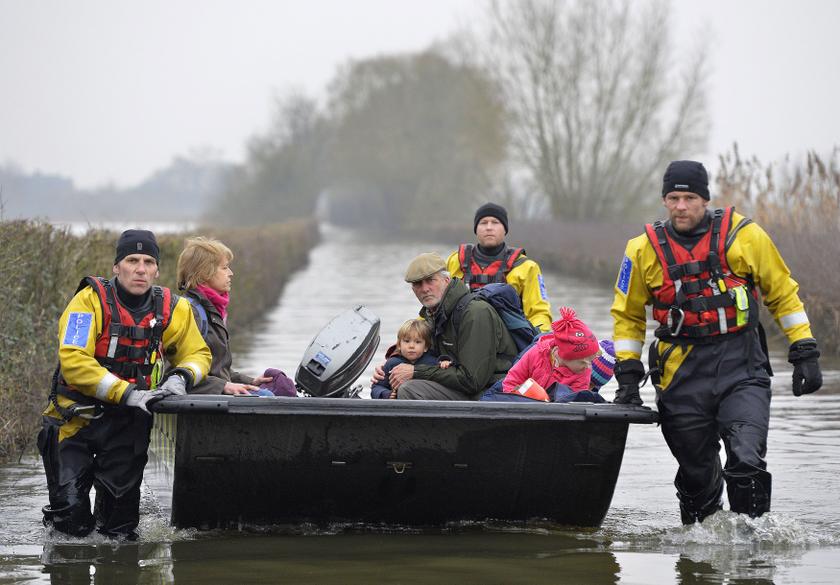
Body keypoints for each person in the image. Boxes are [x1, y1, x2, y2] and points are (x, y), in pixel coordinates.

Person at [610, 160, 823, 524]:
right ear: (664, 200)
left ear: (705, 199)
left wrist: (804, 348)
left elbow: (783, 294)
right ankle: (697, 555)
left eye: (689, 197)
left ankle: (752, 550)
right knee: (696, 475)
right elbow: (627, 315)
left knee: (746, 459)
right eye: (673, 198)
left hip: (741, 364)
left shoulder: (746, 237)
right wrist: (628, 373)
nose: (681, 206)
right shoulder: (641, 249)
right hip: (681, 372)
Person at [38, 229, 211, 540]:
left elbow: (198, 353)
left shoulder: (174, 309)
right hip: (74, 421)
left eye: (148, 261)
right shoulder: (87, 302)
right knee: (70, 520)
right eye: (132, 260)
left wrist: (180, 376)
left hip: (127, 426)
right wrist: (128, 392)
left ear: (157, 269)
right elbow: (74, 360)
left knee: (119, 528)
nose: (140, 268)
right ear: (117, 266)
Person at [388, 252, 518, 400]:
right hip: (463, 387)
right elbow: (423, 355)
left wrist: (416, 372)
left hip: (491, 392)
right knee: (393, 384)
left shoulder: (475, 313)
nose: (425, 289)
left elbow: (472, 380)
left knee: (410, 389)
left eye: (431, 280)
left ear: (447, 280)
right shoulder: (432, 315)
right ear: (413, 290)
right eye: (418, 284)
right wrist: (391, 368)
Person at [175, 236, 275, 396]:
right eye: (224, 268)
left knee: (273, 391)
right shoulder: (190, 312)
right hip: (201, 409)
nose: (231, 273)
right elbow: (175, 375)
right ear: (204, 273)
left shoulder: (213, 310)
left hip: (215, 400)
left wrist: (250, 382)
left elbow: (217, 370)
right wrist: (222, 387)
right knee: (269, 398)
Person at [446, 202, 553, 332]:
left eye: (495, 222)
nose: (489, 227)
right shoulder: (456, 261)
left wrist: (540, 341)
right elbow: (437, 302)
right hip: (461, 333)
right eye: (483, 223)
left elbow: (539, 313)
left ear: (505, 229)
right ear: (476, 229)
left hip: (506, 339)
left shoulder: (526, 267)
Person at [501, 307, 606, 403]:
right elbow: (511, 381)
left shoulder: (583, 372)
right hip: (524, 404)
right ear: (566, 356)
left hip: (556, 411)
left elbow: (576, 402)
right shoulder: (536, 353)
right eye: (583, 362)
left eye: (591, 361)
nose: (588, 367)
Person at [370, 319, 449, 399]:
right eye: (407, 341)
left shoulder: (433, 362)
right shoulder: (392, 363)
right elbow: (377, 387)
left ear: (425, 347)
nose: (411, 346)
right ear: (399, 345)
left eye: (417, 342)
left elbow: (444, 378)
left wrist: (445, 363)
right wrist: (385, 394)